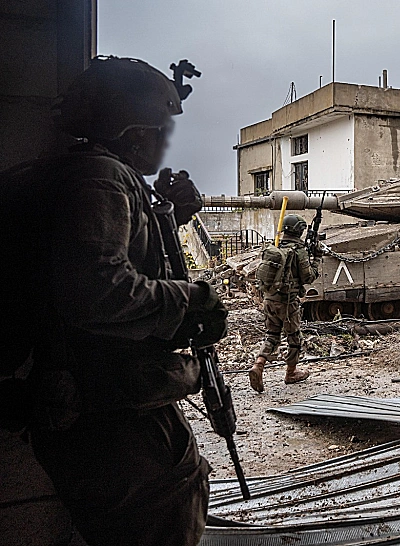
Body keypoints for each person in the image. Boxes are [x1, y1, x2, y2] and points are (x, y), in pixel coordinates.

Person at [0, 57, 226, 546]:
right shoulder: (100, 177)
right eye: (159, 127)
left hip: (99, 404)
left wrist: (170, 216)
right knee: (165, 517)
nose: (165, 140)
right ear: (129, 128)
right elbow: (95, 288)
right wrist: (190, 301)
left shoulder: (79, 173)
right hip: (110, 411)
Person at [249, 214, 318, 392]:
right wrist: (316, 260)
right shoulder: (298, 251)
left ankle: (259, 364)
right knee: (294, 339)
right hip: (287, 303)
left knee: (272, 335)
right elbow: (308, 277)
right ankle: (291, 373)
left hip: (269, 299)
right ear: (299, 231)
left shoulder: (276, 246)